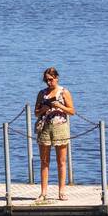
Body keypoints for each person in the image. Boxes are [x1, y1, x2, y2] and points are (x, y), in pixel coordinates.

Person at [34, 67, 75, 203]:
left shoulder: (64, 92)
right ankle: (43, 192)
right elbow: (36, 112)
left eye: (50, 79)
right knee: (44, 161)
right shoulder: (42, 93)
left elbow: (71, 111)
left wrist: (59, 106)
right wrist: (43, 109)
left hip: (60, 127)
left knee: (61, 161)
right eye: (46, 80)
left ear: (56, 78)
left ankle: (61, 191)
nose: (48, 82)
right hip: (45, 127)